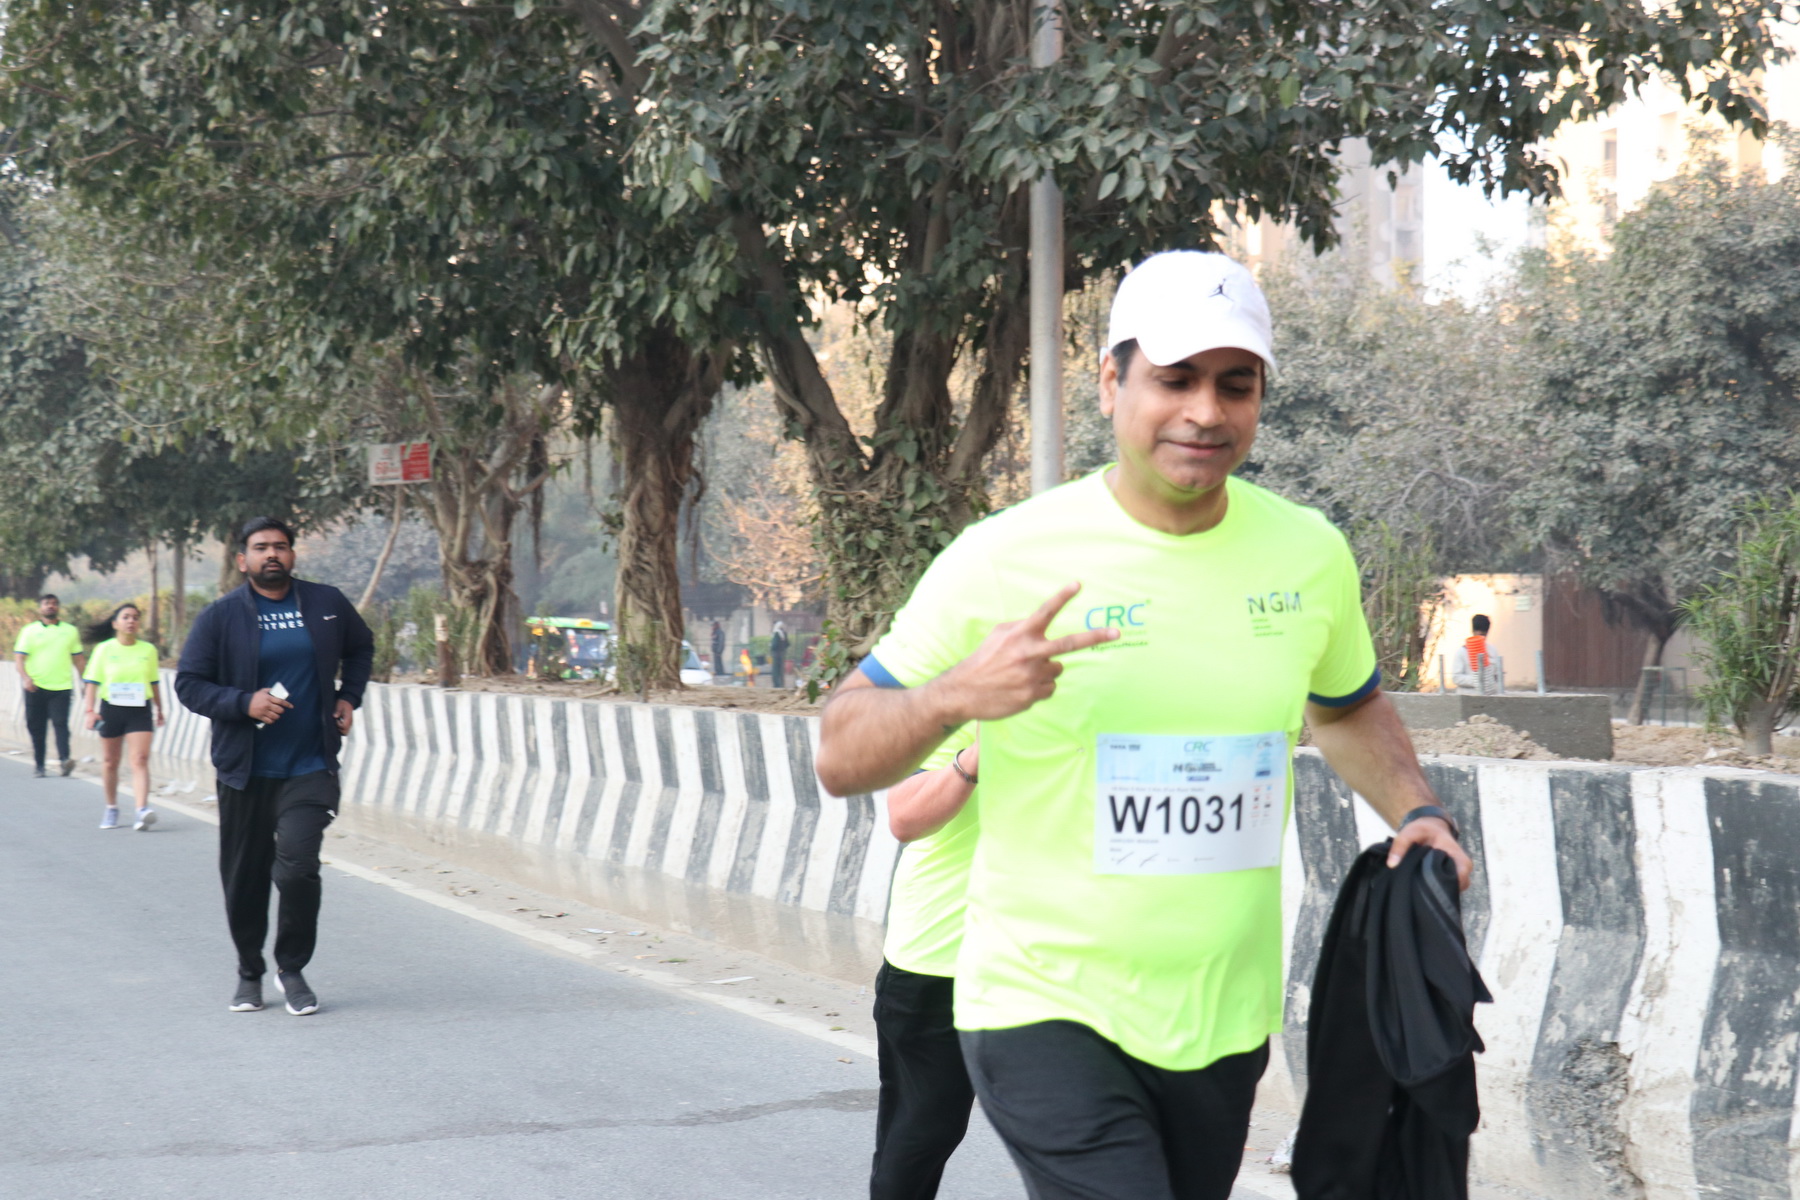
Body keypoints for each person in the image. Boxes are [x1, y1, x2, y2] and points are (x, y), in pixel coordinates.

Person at [816, 250, 1471, 1200]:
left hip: (1222, 1020)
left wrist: (1416, 809)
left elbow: (1347, 706)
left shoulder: (1307, 553)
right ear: (1110, 382)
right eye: (1175, 378)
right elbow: (841, 750)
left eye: (1235, 385)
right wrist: (953, 696)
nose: (1205, 411)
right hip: (1042, 1004)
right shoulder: (1004, 558)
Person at [175, 517, 374, 1016]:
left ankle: (292, 967)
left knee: (299, 867)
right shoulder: (220, 617)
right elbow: (190, 684)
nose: (272, 555)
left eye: (281, 547)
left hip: (310, 764)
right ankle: (249, 972)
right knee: (244, 877)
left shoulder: (326, 603)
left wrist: (348, 696)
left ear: (292, 555)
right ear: (243, 560)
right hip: (245, 770)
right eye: (261, 547)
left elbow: (361, 647)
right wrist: (244, 703)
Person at [870, 731, 980, 1200]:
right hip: (941, 959)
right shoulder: (949, 710)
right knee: (925, 1130)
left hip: (1059, 963)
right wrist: (981, 752)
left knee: (1085, 1133)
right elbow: (905, 817)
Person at [81, 603, 165, 830]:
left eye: (135, 617)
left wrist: (160, 708)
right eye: (126, 617)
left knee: (140, 759)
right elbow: (92, 683)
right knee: (111, 761)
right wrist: (90, 711)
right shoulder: (104, 649)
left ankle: (141, 810)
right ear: (115, 623)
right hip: (111, 709)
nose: (131, 621)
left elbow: (154, 681)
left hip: (140, 710)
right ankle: (111, 808)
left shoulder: (148, 650)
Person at [13, 593, 86, 778]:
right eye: (47, 603)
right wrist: (26, 678)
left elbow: (78, 659)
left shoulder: (70, 631)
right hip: (35, 687)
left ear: (58, 607)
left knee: (61, 724)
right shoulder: (29, 631)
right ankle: (39, 765)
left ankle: (64, 760)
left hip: (61, 687)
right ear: (40, 608)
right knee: (36, 727)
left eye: (54, 603)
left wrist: (84, 680)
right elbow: (19, 658)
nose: (50, 606)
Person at [1451, 613, 1500, 694]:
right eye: (1479, 634)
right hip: (1468, 696)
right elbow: (1456, 677)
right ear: (1473, 631)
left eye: (1484, 635)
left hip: (1489, 695)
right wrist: (1477, 680)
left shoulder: (1492, 650)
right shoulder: (1462, 652)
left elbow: (1497, 676)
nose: (1482, 638)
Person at [770, 620, 790, 689]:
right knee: (781, 670)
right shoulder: (784, 634)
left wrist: (771, 646)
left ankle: (776, 684)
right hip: (782, 653)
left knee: (775, 670)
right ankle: (781, 684)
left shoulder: (776, 633)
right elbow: (787, 644)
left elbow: (774, 645)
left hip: (776, 654)